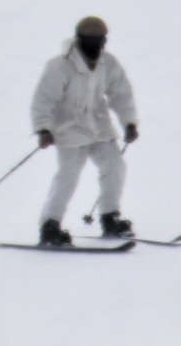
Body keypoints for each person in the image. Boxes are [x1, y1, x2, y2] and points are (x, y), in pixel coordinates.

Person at [31, 15, 140, 247]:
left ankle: (110, 217)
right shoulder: (60, 66)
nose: (94, 46)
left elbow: (121, 93)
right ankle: (50, 226)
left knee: (115, 166)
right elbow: (43, 100)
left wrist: (129, 122)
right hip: (68, 129)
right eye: (89, 41)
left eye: (99, 41)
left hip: (99, 128)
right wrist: (43, 128)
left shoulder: (108, 63)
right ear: (79, 40)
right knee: (68, 176)